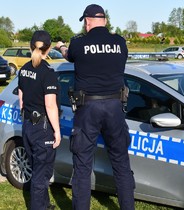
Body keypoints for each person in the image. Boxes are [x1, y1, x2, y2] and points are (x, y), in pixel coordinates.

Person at [56, 4, 135, 210]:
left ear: (87, 21)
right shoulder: (119, 42)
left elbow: (68, 55)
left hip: (88, 107)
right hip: (114, 107)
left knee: (82, 166)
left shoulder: (78, 43)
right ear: (105, 21)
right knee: (121, 164)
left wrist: (61, 47)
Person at [18, 30, 61, 210]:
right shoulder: (47, 73)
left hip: (28, 125)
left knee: (38, 169)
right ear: (49, 48)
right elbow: (50, 105)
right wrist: (57, 131)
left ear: (30, 46)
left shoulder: (24, 69)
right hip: (42, 128)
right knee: (41, 177)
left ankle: (44, 205)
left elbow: (21, 96)